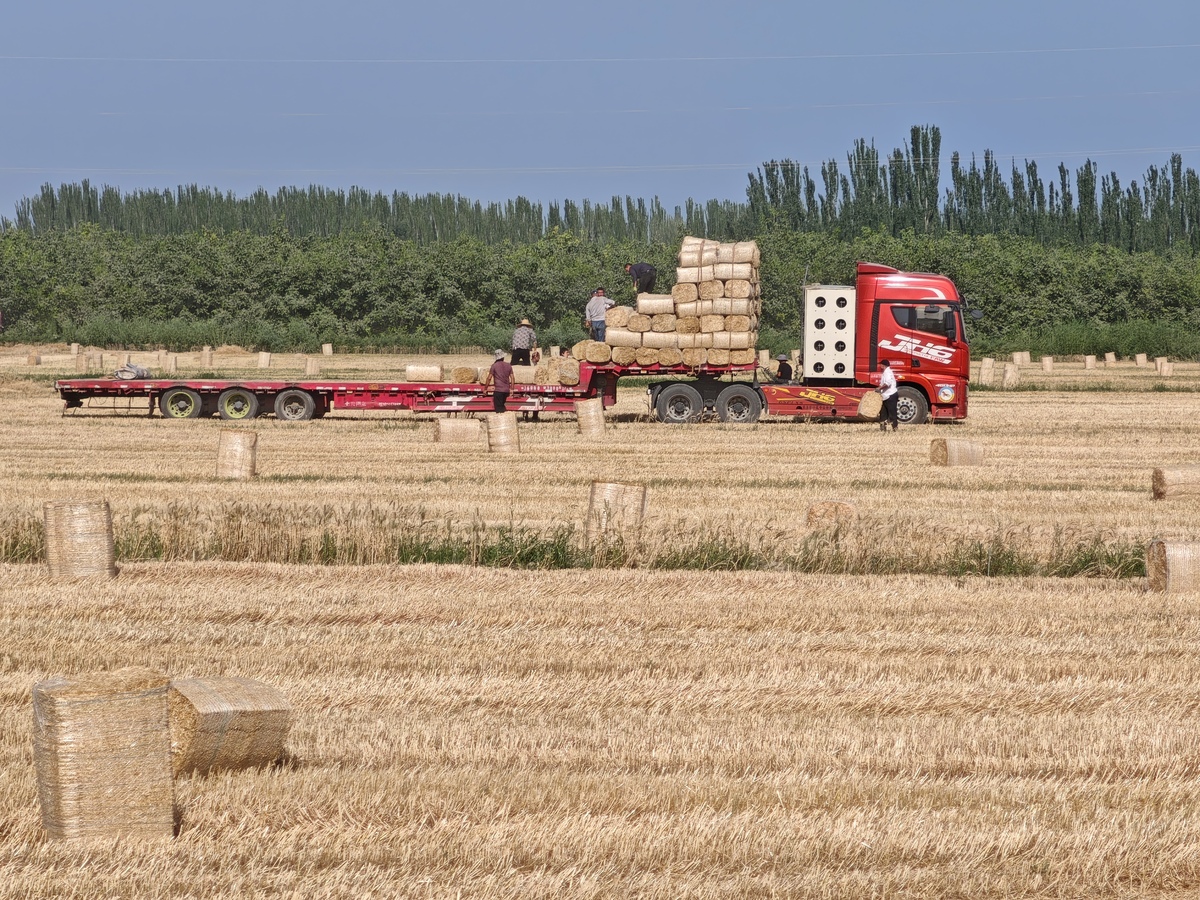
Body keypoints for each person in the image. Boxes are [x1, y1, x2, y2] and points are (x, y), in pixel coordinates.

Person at [482, 349, 513, 413]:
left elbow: (489, 378)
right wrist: (512, 388)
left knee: (498, 409)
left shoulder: (494, 366)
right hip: (506, 390)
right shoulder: (508, 365)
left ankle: (501, 421)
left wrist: (485, 388)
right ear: (503, 357)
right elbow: (512, 378)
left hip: (498, 390)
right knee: (502, 405)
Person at [877, 358, 899, 431]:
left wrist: (879, 388)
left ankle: (895, 428)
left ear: (883, 365)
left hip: (890, 395)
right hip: (885, 396)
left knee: (892, 413)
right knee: (883, 413)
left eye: (881, 365)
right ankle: (883, 428)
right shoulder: (886, 372)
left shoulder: (887, 372)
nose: (880, 366)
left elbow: (888, 383)